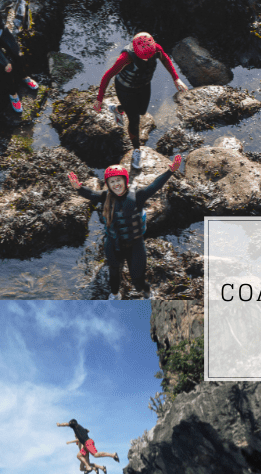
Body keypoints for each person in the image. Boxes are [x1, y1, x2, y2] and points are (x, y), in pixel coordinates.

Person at [68, 154, 182, 300]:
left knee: (138, 276)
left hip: (135, 243)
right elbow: (91, 193)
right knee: (114, 274)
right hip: (113, 243)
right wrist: (78, 188)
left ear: (125, 181)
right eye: (112, 181)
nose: (116, 184)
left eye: (119, 180)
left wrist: (170, 171)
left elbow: (154, 185)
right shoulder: (105, 196)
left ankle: (147, 293)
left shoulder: (138, 195)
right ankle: (115, 295)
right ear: (108, 184)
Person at [94, 32, 188, 169]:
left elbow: (166, 60)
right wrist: (99, 99)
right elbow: (107, 76)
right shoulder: (125, 57)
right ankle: (137, 150)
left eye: (149, 56)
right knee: (134, 120)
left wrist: (176, 78)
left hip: (143, 85)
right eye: (144, 57)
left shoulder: (156, 48)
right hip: (125, 88)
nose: (147, 59)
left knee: (142, 110)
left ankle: (117, 109)